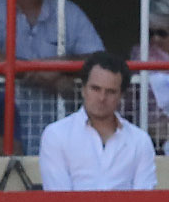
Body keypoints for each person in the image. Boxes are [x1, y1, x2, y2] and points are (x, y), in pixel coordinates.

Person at [0, 0, 104, 154]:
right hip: (3, 126)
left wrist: (57, 66)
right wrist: (38, 72)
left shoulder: (66, 10)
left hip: (55, 125)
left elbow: (98, 59)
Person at [38, 52, 156, 191]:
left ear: (121, 96)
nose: (102, 97)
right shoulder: (56, 135)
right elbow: (59, 200)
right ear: (83, 89)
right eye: (95, 89)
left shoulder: (140, 141)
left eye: (110, 92)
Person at [131, 0, 169, 154]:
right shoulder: (142, 53)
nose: (155, 39)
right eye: (151, 32)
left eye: (162, 33)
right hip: (152, 139)